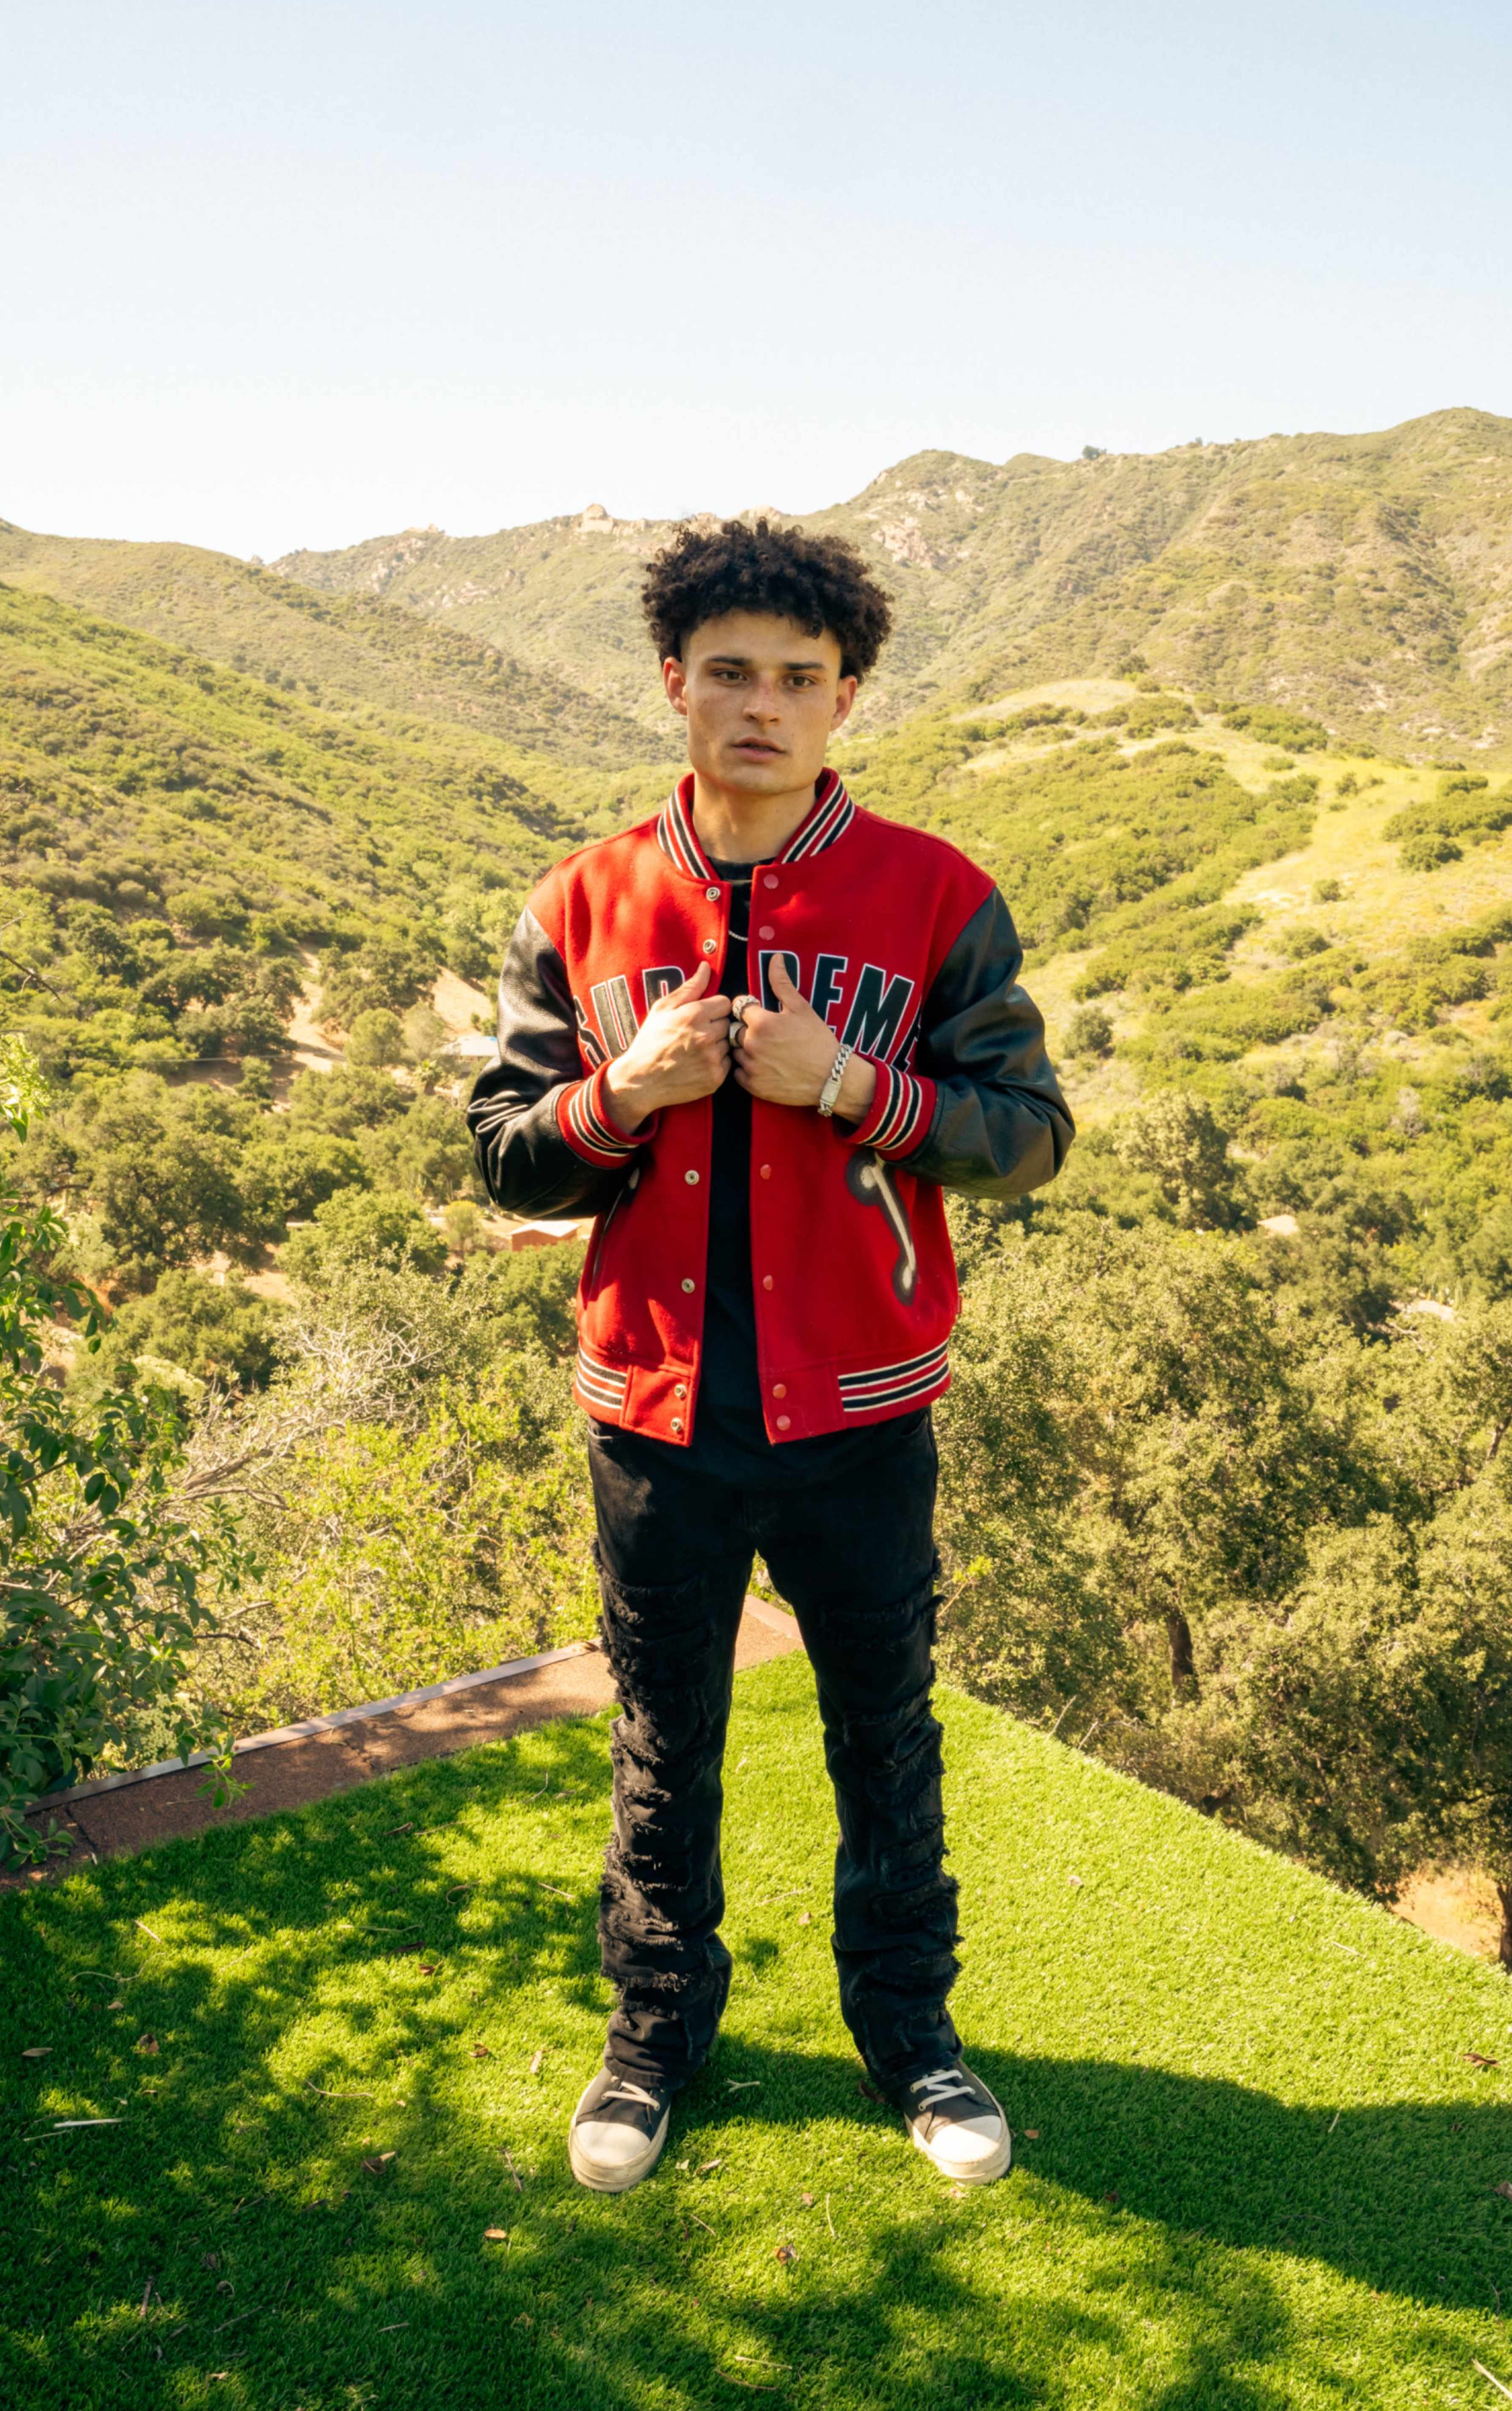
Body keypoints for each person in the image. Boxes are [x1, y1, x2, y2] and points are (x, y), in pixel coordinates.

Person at [469, 517, 1074, 2196]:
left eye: (798, 679)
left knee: (884, 1728)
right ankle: (654, 2041)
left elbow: (1029, 1136)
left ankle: (914, 2037)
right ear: (675, 680)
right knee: (664, 1735)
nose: (761, 704)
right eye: (729, 670)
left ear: (846, 698)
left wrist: (849, 1082)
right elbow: (508, 1154)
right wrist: (626, 1093)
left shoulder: (935, 897)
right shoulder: (584, 904)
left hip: (859, 1410)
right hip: (653, 1411)